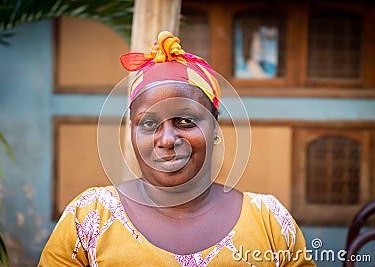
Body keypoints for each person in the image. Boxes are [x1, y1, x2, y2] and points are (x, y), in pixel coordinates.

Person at [39, 31, 315, 266]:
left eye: (185, 121)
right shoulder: (89, 218)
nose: (167, 139)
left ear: (215, 128)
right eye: (148, 123)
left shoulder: (269, 221)